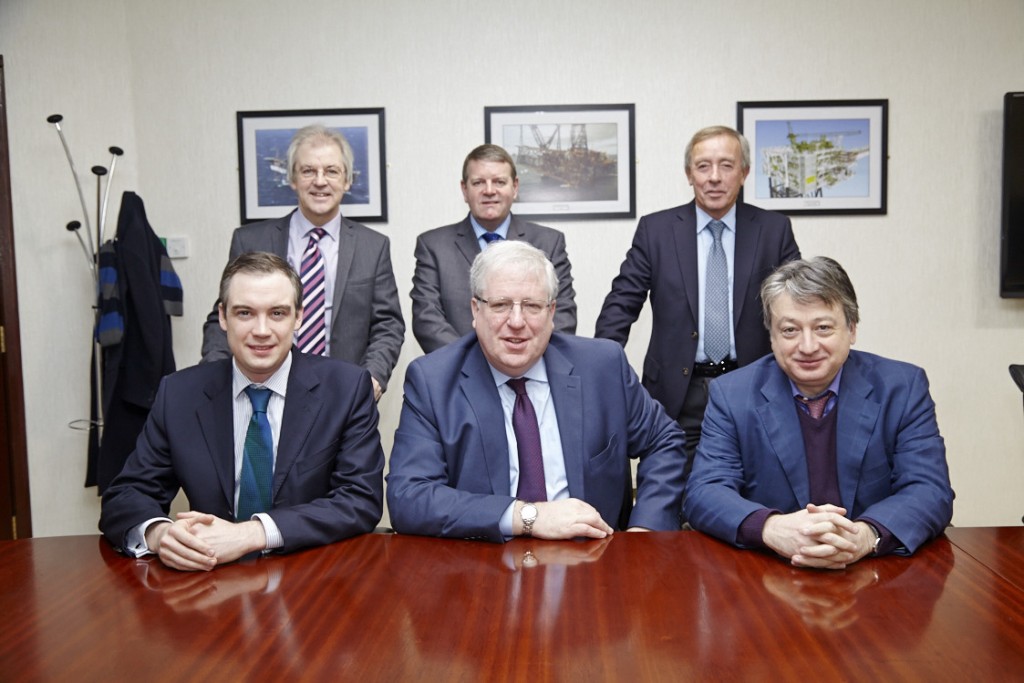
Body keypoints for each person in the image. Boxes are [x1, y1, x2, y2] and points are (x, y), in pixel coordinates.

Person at [101, 252, 385, 571]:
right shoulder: (180, 394)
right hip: (209, 581)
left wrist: (253, 533)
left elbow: (360, 499)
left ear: (299, 317)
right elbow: (126, 494)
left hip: (313, 577)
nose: (261, 330)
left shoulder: (345, 388)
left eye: (277, 313)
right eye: (245, 313)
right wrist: (160, 533)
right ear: (223, 317)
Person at [387, 240, 686, 541]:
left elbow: (664, 441)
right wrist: (528, 517)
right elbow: (409, 496)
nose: (516, 322)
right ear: (475, 310)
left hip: (594, 559)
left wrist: (645, 529)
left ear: (551, 312)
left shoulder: (602, 367)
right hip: (483, 563)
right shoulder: (433, 381)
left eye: (531, 306)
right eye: (501, 305)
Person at [683, 256, 954, 569]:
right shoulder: (732, 394)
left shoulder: (902, 387)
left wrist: (865, 536)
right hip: (768, 571)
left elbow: (929, 490)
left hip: (876, 570)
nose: (808, 346)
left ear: (851, 329)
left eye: (823, 328)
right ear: (771, 336)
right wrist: (772, 529)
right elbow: (705, 492)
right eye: (789, 330)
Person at [595, 125, 800, 468]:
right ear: (689, 174)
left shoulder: (773, 230)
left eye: (726, 165)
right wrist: (600, 371)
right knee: (670, 497)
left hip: (753, 386)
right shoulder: (657, 230)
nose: (714, 177)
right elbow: (621, 304)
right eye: (703, 166)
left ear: (744, 172)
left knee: (751, 494)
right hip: (676, 393)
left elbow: (798, 305)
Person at [201, 124, 404, 400]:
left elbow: (388, 324)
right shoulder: (250, 240)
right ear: (293, 179)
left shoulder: (374, 246)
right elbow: (223, 316)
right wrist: (216, 374)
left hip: (342, 392)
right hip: (260, 388)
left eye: (332, 171)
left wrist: (373, 377)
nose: (320, 181)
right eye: (308, 171)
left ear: (347, 181)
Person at [411, 144, 576, 354]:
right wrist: (473, 365)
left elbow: (562, 316)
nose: (489, 191)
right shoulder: (433, 246)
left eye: (499, 181)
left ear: (515, 187)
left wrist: (521, 362)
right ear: (464, 189)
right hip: (458, 375)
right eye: (478, 182)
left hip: (530, 373)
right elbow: (427, 319)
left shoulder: (548, 243)